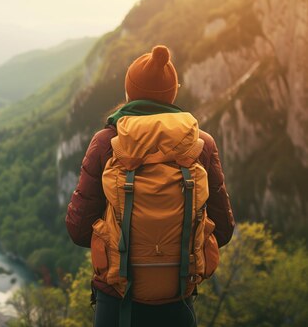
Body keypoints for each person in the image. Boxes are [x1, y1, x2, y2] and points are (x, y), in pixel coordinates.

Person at [65, 45, 235, 327]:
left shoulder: (106, 142)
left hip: (116, 301)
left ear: (129, 92)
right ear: (172, 94)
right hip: (178, 298)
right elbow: (224, 229)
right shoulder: (201, 144)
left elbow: (78, 229)